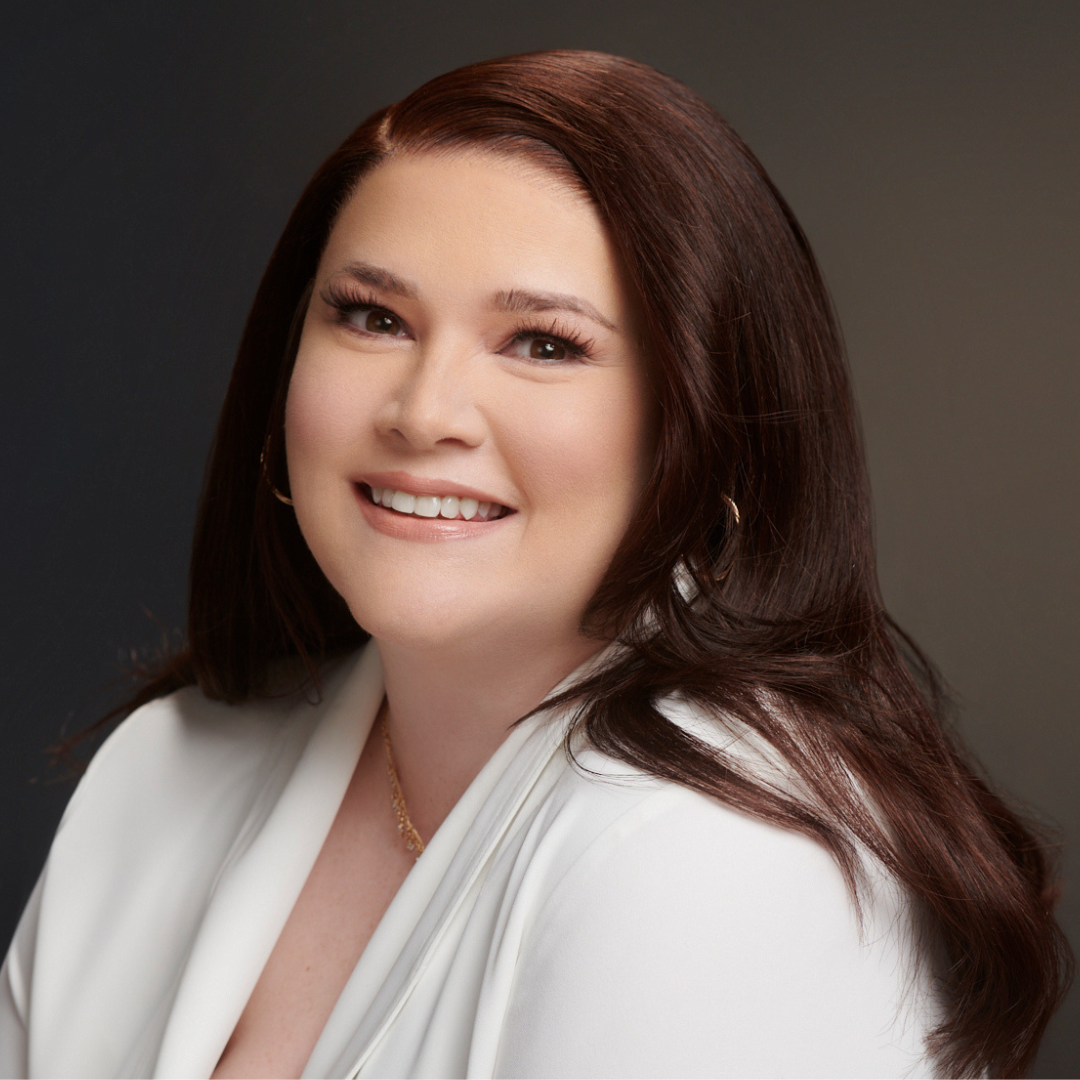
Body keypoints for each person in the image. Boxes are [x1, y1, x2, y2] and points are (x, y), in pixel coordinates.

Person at [0, 50, 1069, 1079]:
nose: (423, 412)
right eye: (374, 317)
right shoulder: (162, 771)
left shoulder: (725, 859)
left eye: (545, 343)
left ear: (704, 432)